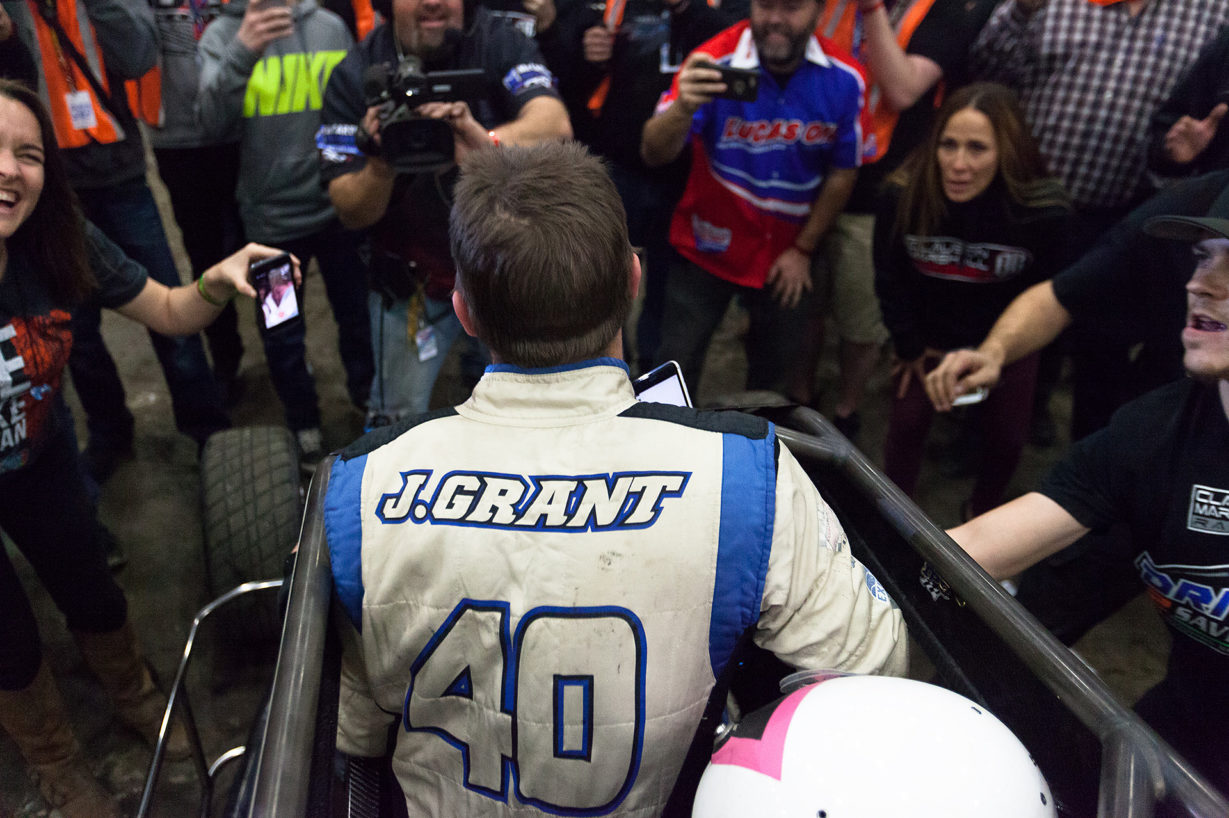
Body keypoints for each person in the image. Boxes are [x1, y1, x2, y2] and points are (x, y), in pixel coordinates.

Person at [325, 141, 907, 815]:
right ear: (633, 280)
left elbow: (351, 736)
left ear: (464, 312)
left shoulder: (357, 484)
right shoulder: (746, 474)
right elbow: (873, 669)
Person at [0, 79, 298, 818]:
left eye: (28, 154)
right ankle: (56, 760)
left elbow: (168, 310)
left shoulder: (59, 235)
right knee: (5, 638)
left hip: (41, 461)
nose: (9, 169)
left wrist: (220, 279)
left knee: (94, 590)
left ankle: (135, 696)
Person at [946, 212, 1229, 791]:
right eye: (1204, 255)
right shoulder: (1154, 431)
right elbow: (974, 546)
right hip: (1191, 726)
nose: (1202, 282)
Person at [4, 0, 232, 480]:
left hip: (121, 176)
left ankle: (207, 427)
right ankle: (110, 432)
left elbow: (138, 55)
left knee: (166, 308)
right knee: (75, 333)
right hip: (44, 189)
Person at [318, 0, 571, 427]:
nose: (433, 1)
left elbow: (556, 127)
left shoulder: (498, 40)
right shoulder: (354, 70)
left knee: (530, 411)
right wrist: (382, 162)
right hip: (411, 280)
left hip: (506, 268)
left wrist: (481, 143)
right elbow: (351, 212)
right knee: (397, 420)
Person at [788, 0, 997, 436]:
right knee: (803, 305)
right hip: (807, 172)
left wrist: (872, 10)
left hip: (876, 191)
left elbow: (902, 89)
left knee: (860, 317)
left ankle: (847, 410)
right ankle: (800, 396)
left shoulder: (943, 13)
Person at [640, 0, 868, 399]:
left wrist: (804, 249)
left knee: (775, 385)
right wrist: (683, 108)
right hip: (706, 243)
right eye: (765, 5)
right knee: (671, 369)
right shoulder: (712, 60)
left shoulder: (846, 79)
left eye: (792, 7)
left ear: (819, 10)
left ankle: (763, 456)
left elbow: (843, 170)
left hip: (788, 253)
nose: (776, 19)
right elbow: (653, 152)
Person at [874, 82, 1070, 518]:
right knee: (905, 426)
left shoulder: (1043, 212)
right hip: (926, 341)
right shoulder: (903, 195)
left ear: (1007, 150)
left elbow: (1051, 297)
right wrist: (907, 344)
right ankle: (893, 517)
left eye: (977, 148)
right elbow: (888, 275)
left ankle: (981, 511)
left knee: (1007, 438)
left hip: (1006, 346)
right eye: (948, 145)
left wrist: (1013, 359)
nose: (958, 164)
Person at [198, 0, 375, 459]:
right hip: (269, 224)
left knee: (358, 313)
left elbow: (357, 106)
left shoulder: (331, 27)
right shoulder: (222, 35)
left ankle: (367, 397)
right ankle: (302, 419)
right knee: (282, 332)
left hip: (338, 208)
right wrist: (243, 50)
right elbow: (209, 124)